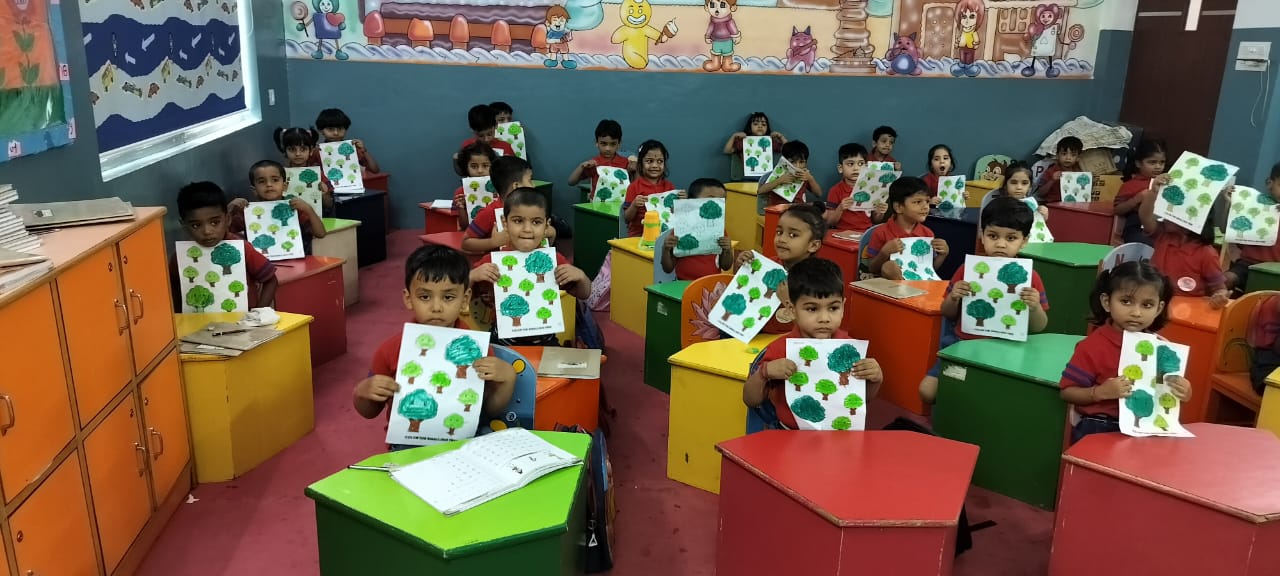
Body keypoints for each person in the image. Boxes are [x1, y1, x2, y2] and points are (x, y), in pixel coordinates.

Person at [352, 244, 517, 450]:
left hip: (466, 441)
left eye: (448, 297)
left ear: (465, 299)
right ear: (408, 299)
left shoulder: (478, 348)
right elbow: (369, 411)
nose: (436, 307)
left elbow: (490, 409)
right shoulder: (391, 350)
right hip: (408, 444)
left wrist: (508, 379)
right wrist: (362, 392)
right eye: (425, 297)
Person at [918, 197, 1051, 405]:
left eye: (1011, 238)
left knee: (998, 399)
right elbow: (947, 312)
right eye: (992, 235)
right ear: (982, 235)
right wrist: (954, 297)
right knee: (927, 391)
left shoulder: (1030, 277)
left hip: (1008, 349)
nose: (1000, 244)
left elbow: (1039, 326)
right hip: (964, 345)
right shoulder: (967, 270)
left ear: (1024, 241)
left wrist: (1034, 307)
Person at [742, 257, 883, 429]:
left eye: (833, 308)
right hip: (788, 434)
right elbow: (750, 400)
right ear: (791, 310)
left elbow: (862, 399)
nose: (824, 318)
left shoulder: (850, 349)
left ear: (843, 307)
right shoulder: (780, 349)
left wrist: (875, 378)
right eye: (812, 309)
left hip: (838, 436)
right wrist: (764, 373)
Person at [1060, 260, 1190, 443]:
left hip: (1148, 426)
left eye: (1147, 305)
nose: (1136, 312)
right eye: (1126, 301)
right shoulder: (1092, 346)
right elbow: (1067, 392)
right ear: (1107, 302)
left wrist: (1184, 391)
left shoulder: (1161, 347)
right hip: (1100, 424)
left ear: (1159, 309)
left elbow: (1166, 395)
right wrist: (1099, 392)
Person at [469, 188, 591, 346]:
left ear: (546, 226)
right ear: (505, 223)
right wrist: (472, 276)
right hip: (502, 340)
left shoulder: (554, 260)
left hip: (545, 340)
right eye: (518, 221)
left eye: (536, 222)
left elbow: (584, 294)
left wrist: (581, 276)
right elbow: (463, 293)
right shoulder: (491, 262)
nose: (527, 229)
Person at [175, 181, 278, 308]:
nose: (207, 231)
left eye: (214, 223)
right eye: (196, 225)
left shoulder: (242, 248)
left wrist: (259, 312)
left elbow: (270, 279)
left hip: (245, 319)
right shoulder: (180, 257)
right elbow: (173, 288)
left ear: (228, 219)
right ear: (184, 225)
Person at [733, 202, 828, 334]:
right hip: (754, 333)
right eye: (779, 232)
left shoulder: (819, 279)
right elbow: (746, 294)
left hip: (790, 340)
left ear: (813, 245)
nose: (781, 239)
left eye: (793, 235)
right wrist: (742, 269)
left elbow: (815, 329)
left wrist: (787, 300)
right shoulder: (768, 265)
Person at [1137, 184, 1229, 308]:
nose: (1166, 216)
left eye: (1173, 213)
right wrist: (1153, 192)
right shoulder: (1162, 235)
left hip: (1187, 310)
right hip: (1154, 304)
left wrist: (1219, 297)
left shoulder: (1207, 253)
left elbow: (1219, 288)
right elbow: (1145, 216)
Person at [230, 160, 326, 255]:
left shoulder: (295, 207)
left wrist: (309, 209)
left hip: (296, 260)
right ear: (254, 190)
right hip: (261, 263)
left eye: (275, 180)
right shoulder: (247, 212)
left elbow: (320, 233)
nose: (269, 185)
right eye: (262, 181)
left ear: (285, 186)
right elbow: (226, 234)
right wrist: (229, 210)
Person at [866, 176, 949, 280]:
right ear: (898, 207)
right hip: (888, 287)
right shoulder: (881, 232)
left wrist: (942, 255)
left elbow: (928, 270)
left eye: (927, 201)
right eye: (917, 202)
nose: (925, 207)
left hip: (919, 285)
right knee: (889, 267)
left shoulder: (927, 234)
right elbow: (872, 268)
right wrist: (884, 252)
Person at [660, 178, 734, 280]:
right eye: (710, 199)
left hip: (711, 283)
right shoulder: (681, 228)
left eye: (721, 201)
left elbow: (726, 266)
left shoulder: (719, 230)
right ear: (692, 201)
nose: (716, 204)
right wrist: (666, 249)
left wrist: (727, 250)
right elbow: (667, 268)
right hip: (683, 284)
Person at [1226, 161, 1280, 293]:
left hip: (1277, 269)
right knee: (1225, 280)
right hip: (1248, 264)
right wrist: (1230, 205)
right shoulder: (1252, 205)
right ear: (1269, 183)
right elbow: (1226, 231)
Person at [462, 156, 535, 253]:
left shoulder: (534, 207)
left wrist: (551, 232)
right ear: (516, 186)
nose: (533, 186)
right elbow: (465, 243)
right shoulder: (490, 212)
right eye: (530, 180)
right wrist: (493, 242)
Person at [1113, 139, 1167, 247]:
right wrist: (1137, 198)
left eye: (1162, 162)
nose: (1158, 166)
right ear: (1138, 163)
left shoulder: (1166, 183)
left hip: (1161, 227)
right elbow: (1118, 210)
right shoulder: (1130, 185)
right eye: (1152, 162)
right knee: (1148, 245)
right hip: (1137, 228)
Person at [623, 139, 680, 237]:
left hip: (664, 235)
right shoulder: (634, 187)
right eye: (649, 161)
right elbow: (627, 219)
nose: (654, 165)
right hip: (639, 236)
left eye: (660, 161)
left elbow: (675, 215)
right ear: (640, 163)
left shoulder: (669, 187)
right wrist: (634, 205)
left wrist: (681, 203)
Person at [824, 143, 886, 232]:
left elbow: (876, 220)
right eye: (850, 164)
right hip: (841, 232)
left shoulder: (871, 188)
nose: (856, 168)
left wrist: (880, 212)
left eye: (860, 164)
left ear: (866, 167)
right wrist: (840, 208)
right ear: (840, 168)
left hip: (866, 232)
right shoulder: (835, 190)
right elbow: (830, 222)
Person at [274, 126, 333, 216]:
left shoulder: (318, 175)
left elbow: (329, 205)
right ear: (285, 151)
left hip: (314, 220)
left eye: (303, 149)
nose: (298, 154)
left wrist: (324, 194)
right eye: (292, 149)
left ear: (311, 150)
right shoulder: (279, 175)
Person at [568, 119, 634, 192]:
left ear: (619, 143)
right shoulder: (593, 164)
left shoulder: (626, 163)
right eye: (603, 143)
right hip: (597, 199)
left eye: (613, 144)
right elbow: (571, 182)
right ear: (596, 142)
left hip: (620, 199)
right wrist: (581, 166)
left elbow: (636, 185)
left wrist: (636, 169)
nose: (608, 148)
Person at [757, 140, 821, 211]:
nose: (797, 166)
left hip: (798, 211)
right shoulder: (778, 173)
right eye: (793, 162)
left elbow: (818, 194)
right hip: (778, 210)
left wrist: (810, 178)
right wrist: (780, 180)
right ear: (785, 161)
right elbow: (760, 191)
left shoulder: (804, 176)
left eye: (801, 162)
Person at [723, 112, 787, 181]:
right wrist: (734, 136)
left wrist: (781, 137)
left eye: (763, 124)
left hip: (766, 178)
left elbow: (788, 149)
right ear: (750, 127)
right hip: (747, 177)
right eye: (756, 124)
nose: (760, 126)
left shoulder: (769, 142)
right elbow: (727, 150)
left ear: (767, 128)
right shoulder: (744, 141)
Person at [313, 108, 380, 173]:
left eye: (340, 129)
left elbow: (374, 170)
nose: (336, 133)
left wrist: (364, 151)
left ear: (346, 129)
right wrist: (313, 153)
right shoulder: (317, 150)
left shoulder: (352, 148)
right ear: (320, 130)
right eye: (330, 129)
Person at [451, 142, 498, 230]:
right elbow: (464, 226)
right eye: (474, 166)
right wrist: (461, 208)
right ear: (466, 167)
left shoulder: (501, 187)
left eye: (485, 165)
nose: (480, 171)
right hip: (473, 234)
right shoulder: (460, 193)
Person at [1035, 136, 1084, 205]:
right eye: (1064, 154)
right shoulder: (1051, 171)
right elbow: (1040, 193)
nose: (1068, 158)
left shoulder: (1079, 171)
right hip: (1054, 205)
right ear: (1057, 155)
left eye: (1073, 155)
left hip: (1074, 206)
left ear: (1078, 157)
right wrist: (1052, 180)